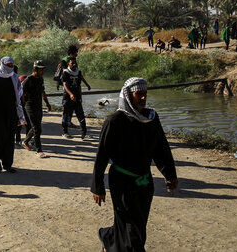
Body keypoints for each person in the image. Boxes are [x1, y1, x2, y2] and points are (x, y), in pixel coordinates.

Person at [91, 77, 178, 252]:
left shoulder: (151, 119)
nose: (144, 98)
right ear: (129, 96)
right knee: (132, 231)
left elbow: (162, 148)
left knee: (138, 224)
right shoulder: (114, 121)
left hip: (145, 182)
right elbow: (102, 156)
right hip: (122, 182)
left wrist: (170, 175)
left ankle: (109, 237)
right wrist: (97, 186)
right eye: (140, 95)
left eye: (145, 94)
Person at [21, 61, 52, 158]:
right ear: (35, 69)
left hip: (39, 106)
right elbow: (21, 93)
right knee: (37, 129)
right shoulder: (28, 80)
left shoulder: (40, 79)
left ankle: (25, 141)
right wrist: (23, 105)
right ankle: (39, 151)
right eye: (40, 69)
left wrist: (47, 103)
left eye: (43, 69)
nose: (42, 71)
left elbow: (43, 92)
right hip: (29, 106)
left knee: (35, 127)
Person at [61, 57, 91, 140]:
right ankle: (65, 132)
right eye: (72, 63)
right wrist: (70, 94)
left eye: (75, 63)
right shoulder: (65, 73)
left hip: (77, 96)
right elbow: (65, 85)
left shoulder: (78, 72)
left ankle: (84, 134)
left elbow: (79, 86)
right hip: (68, 97)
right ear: (68, 64)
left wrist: (80, 97)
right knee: (66, 115)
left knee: (80, 114)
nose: (74, 65)